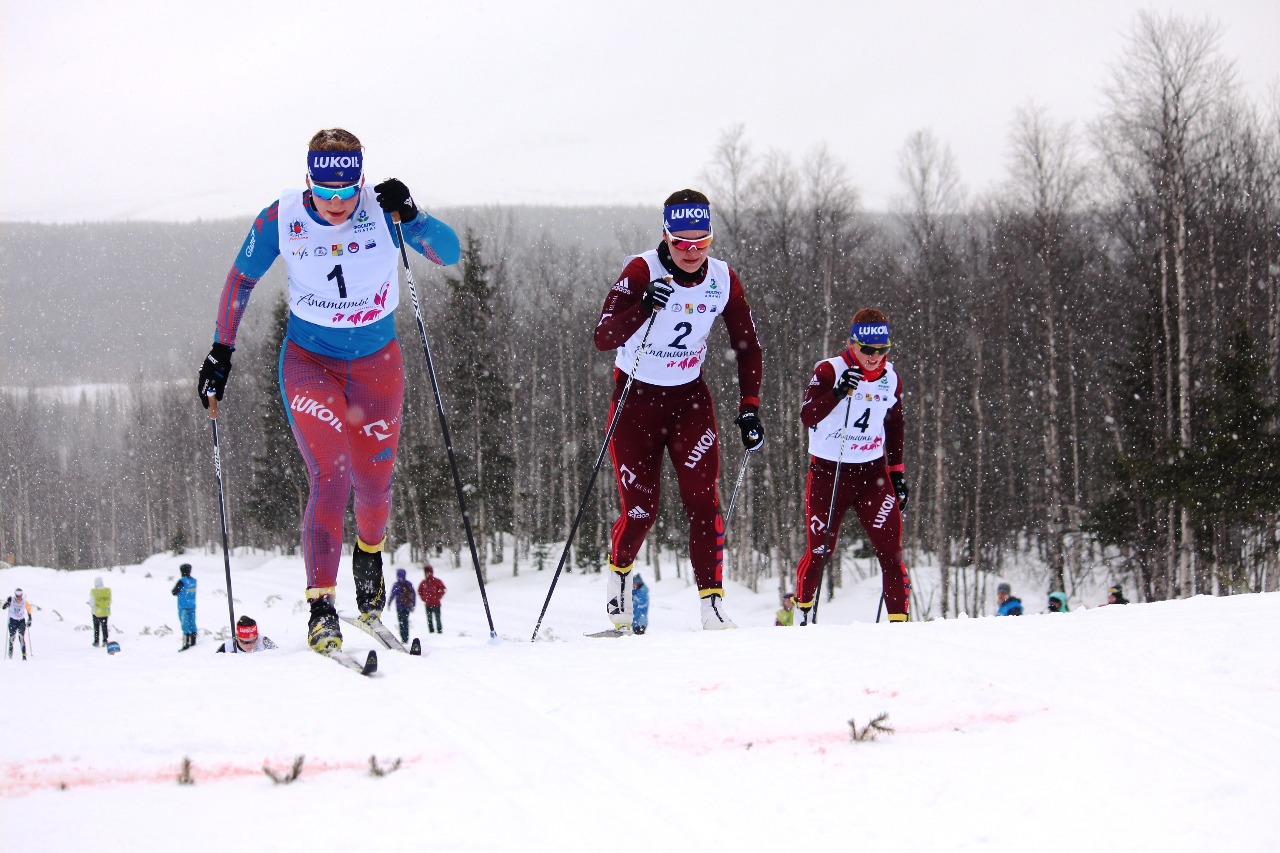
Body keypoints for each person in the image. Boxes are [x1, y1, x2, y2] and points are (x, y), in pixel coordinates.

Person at [195, 128, 460, 655]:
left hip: (377, 367)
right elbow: (240, 279)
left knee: (375, 486)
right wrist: (221, 349)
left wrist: (414, 215)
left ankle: (369, 556)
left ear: (360, 181)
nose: (336, 203)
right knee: (331, 474)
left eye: (346, 191)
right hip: (311, 363)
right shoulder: (283, 216)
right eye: (325, 191)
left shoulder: (382, 209)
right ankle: (321, 607)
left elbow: (447, 253)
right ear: (308, 182)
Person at [593, 189, 765, 632]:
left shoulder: (724, 279)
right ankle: (619, 579)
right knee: (641, 511)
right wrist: (641, 306)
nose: (692, 252)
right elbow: (603, 335)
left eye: (701, 243)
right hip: (635, 402)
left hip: (689, 401)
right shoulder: (641, 270)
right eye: (681, 243)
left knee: (703, 501)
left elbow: (747, 346)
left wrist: (750, 407)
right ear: (665, 237)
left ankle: (711, 603)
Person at [791, 309, 911, 625]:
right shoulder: (830, 370)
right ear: (852, 344)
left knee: (891, 552)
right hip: (829, 475)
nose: (874, 358)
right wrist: (837, 392)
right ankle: (802, 613)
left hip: (872, 475)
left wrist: (896, 473)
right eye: (867, 350)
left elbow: (895, 423)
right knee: (820, 552)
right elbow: (807, 417)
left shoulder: (892, 378)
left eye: (881, 350)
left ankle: (900, 623)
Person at [171, 563, 198, 650]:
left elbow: (174, 592)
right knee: (192, 623)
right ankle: (193, 640)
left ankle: (186, 643)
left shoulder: (182, 581)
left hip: (183, 606)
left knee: (185, 625)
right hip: (192, 605)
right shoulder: (194, 581)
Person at [387, 568, 417, 644]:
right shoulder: (409, 584)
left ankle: (403, 638)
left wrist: (389, 603)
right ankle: (406, 638)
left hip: (399, 606)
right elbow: (413, 595)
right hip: (407, 606)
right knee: (406, 621)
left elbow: (392, 595)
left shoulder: (396, 585)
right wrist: (413, 604)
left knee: (401, 622)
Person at [417, 564, 447, 634]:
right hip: (428, 604)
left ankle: (439, 632)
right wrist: (423, 598)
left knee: (438, 619)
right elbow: (419, 591)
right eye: (426, 572)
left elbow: (443, 589)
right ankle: (431, 633)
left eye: (428, 572)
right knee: (429, 620)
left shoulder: (436, 581)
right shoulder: (423, 582)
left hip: (436, 604)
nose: (427, 574)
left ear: (431, 572)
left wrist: (438, 597)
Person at [5, 588, 32, 660]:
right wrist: (7, 603)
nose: (19, 598)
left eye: (20, 596)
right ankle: (10, 657)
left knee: (21, 637)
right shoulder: (11, 600)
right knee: (12, 638)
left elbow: (29, 610)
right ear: (15, 595)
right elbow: (3, 607)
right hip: (12, 621)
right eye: (17, 596)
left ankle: (24, 656)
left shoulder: (25, 601)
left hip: (21, 622)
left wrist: (30, 618)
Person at [89, 576, 112, 646]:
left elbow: (92, 603)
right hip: (105, 612)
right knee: (104, 627)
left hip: (96, 613)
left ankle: (96, 641)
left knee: (96, 628)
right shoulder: (107, 590)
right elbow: (109, 601)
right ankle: (105, 641)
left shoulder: (94, 591)